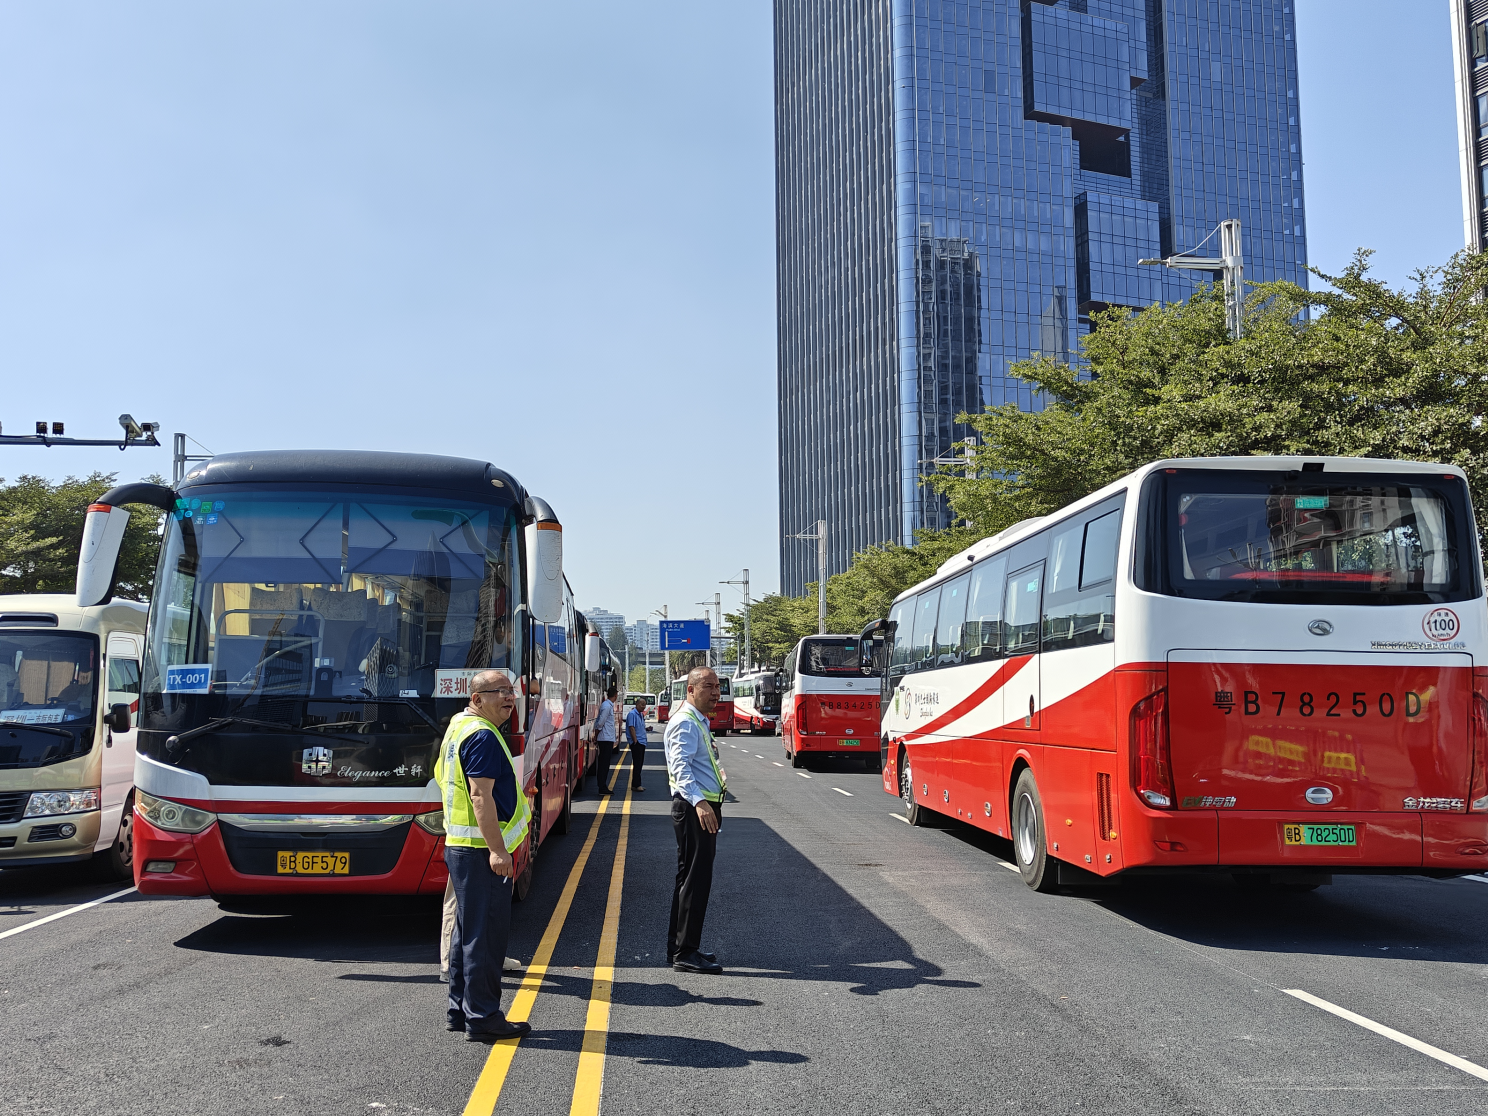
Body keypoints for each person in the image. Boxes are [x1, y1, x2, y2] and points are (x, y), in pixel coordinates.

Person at [435, 668, 532, 1041]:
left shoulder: (458, 727)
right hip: (481, 852)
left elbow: (444, 779)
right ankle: (484, 1017)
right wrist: (498, 850)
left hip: (461, 847)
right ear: (477, 699)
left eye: (511, 690)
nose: (509, 697)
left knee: (466, 934)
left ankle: (460, 1010)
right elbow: (480, 796)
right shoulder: (482, 736)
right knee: (485, 938)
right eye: (499, 692)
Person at [663, 666, 726, 973]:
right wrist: (701, 803)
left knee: (690, 878)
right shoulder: (686, 723)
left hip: (699, 806)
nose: (715, 692)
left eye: (717, 686)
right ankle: (685, 952)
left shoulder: (697, 721)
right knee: (694, 881)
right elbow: (680, 769)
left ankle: (681, 947)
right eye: (708, 686)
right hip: (693, 808)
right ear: (690, 689)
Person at [594, 685, 618, 795]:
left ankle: (603, 785)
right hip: (605, 738)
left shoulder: (607, 705)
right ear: (615, 695)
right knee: (604, 764)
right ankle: (602, 787)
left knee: (605, 763)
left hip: (607, 738)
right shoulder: (607, 706)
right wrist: (597, 733)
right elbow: (601, 722)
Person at [625, 695, 649, 792]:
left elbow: (639, 727)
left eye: (645, 705)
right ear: (637, 704)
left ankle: (637, 783)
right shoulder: (632, 714)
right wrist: (635, 741)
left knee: (639, 764)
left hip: (642, 742)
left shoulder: (640, 715)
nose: (644, 707)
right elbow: (631, 727)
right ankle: (636, 784)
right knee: (637, 764)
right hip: (637, 742)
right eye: (642, 704)